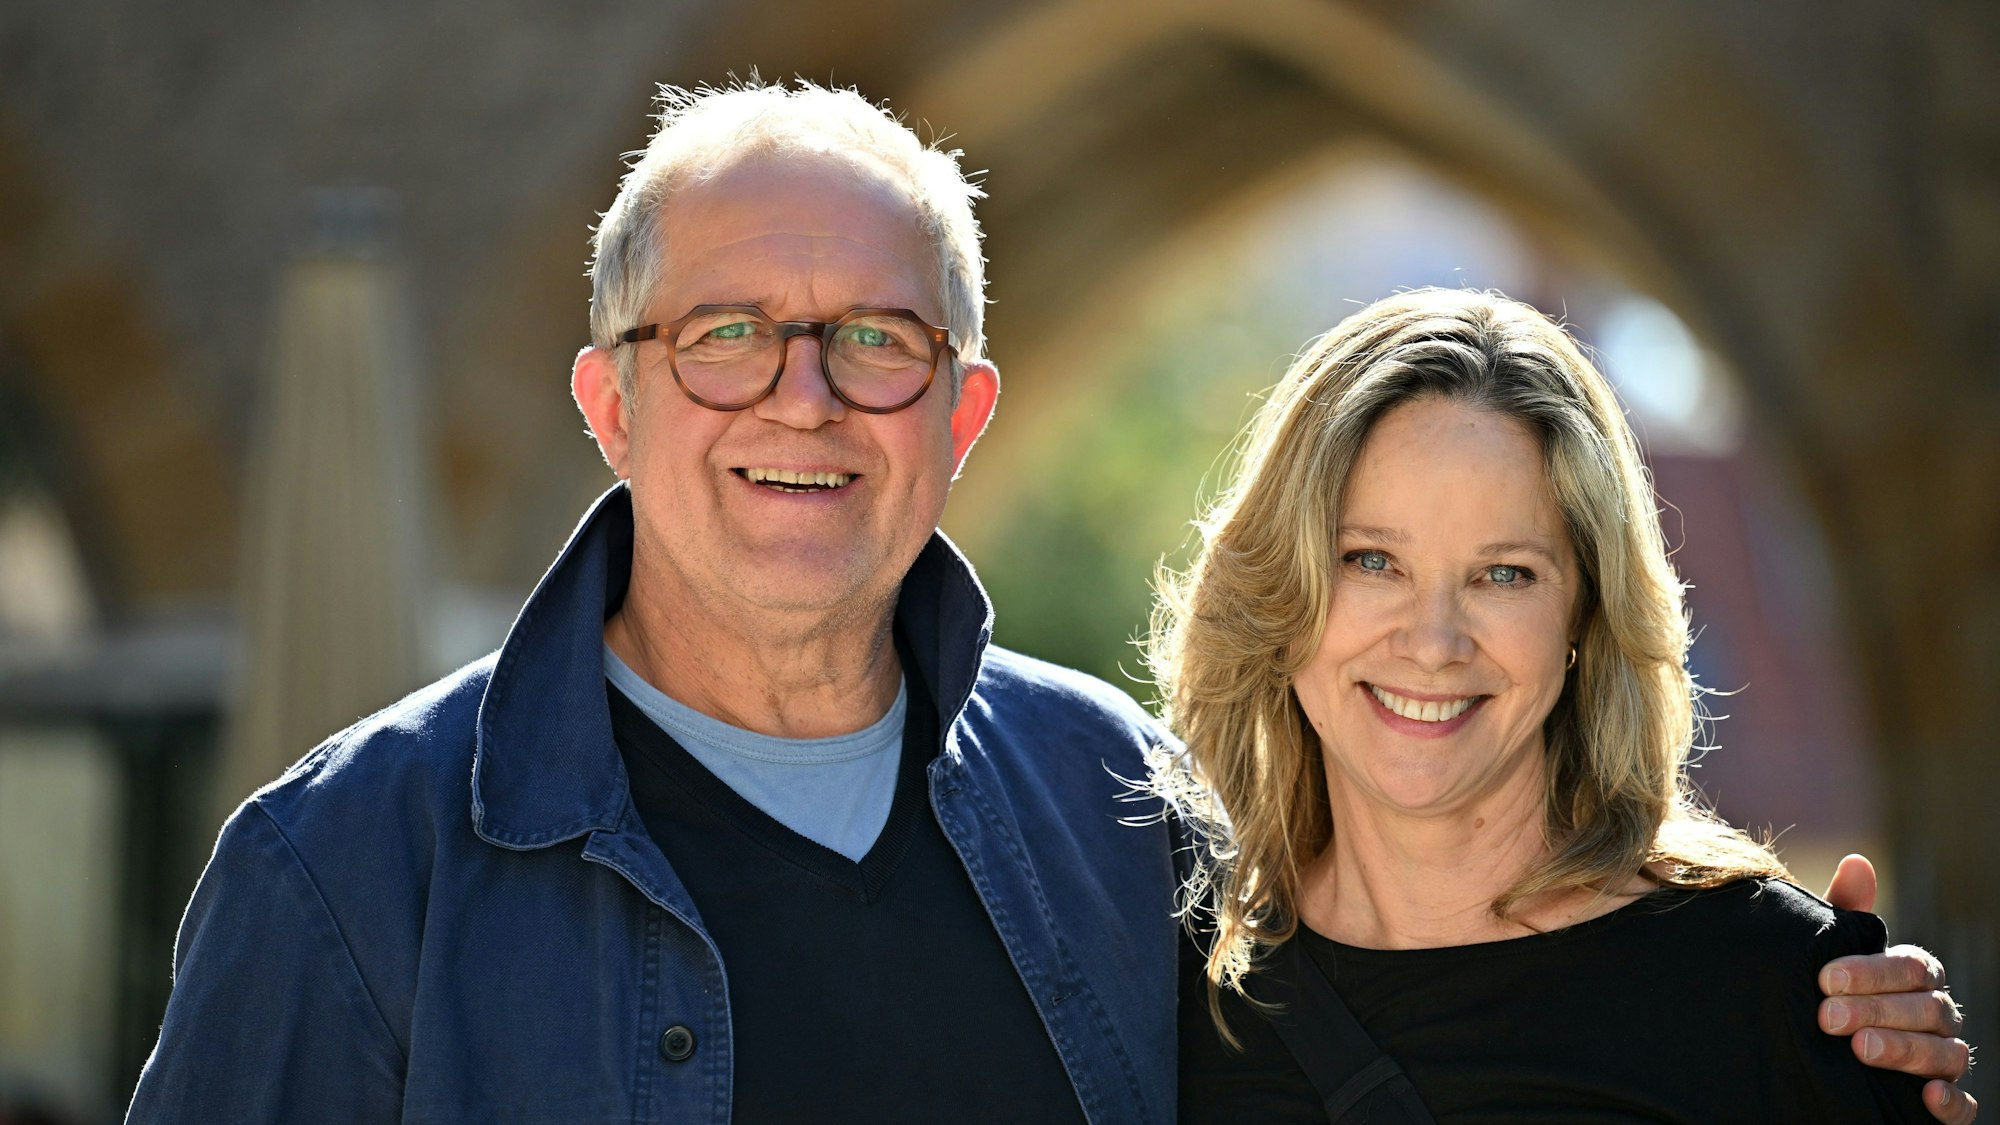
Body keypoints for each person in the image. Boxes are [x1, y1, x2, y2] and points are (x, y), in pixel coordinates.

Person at [125, 83, 1969, 1123]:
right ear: (607, 396)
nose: (802, 399)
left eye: (875, 341)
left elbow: (1464, 945)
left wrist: (1813, 995)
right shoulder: (351, 878)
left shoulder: (1120, 815)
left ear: (962, 414)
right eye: (725, 338)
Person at [1155, 288, 1976, 1122]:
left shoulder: (1773, 991)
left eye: (1505, 573)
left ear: (1586, 612)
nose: (1434, 641)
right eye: (1371, 560)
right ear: (1279, 587)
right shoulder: (1163, 1000)